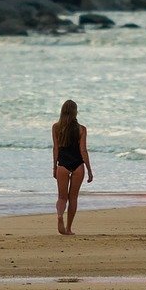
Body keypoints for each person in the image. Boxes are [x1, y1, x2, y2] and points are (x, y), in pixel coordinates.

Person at [51, 98, 92, 235]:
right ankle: (68, 228)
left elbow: (55, 149)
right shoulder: (82, 129)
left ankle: (59, 215)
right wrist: (90, 170)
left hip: (62, 165)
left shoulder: (56, 127)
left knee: (62, 197)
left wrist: (54, 167)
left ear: (62, 111)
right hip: (78, 166)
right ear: (75, 112)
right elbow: (83, 151)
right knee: (73, 198)